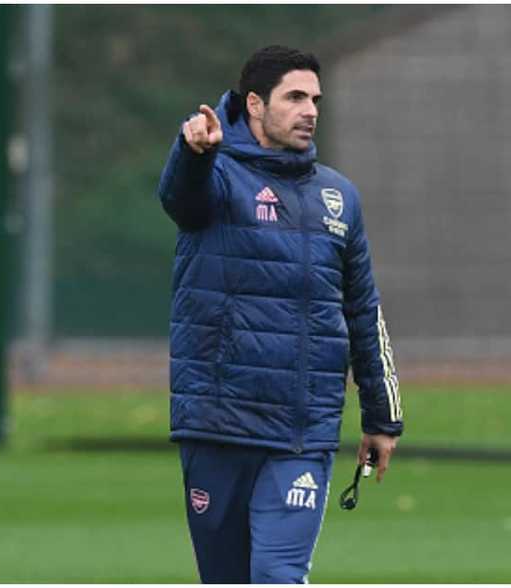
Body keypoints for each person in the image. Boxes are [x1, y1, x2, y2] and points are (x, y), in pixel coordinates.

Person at [156, 45, 404, 584]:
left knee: (277, 575)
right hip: (218, 425)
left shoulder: (339, 197)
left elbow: (363, 308)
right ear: (254, 105)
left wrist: (382, 416)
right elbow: (182, 199)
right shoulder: (216, 175)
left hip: (301, 431)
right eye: (294, 97)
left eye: (315, 98)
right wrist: (191, 152)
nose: (310, 109)